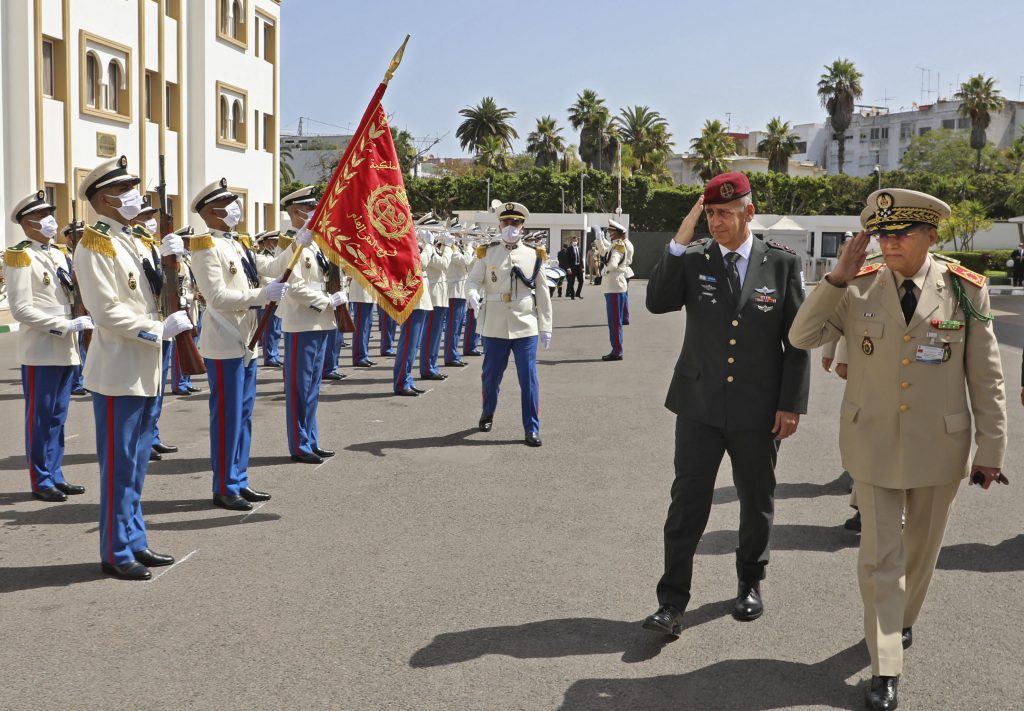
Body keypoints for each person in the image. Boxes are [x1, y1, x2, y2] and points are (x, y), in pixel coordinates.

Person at [790, 188, 1007, 710]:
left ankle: (902, 618)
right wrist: (836, 276)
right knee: (880, 558)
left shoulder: (964, 289)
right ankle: (886, 664)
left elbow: (986, 373)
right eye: (882, 234)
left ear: (931, 235)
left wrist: (991, 448)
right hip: (873, 444)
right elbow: (802, 335)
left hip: (941, 445)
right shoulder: (855, 287)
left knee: (920, 554)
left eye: (900, 233)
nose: (888, 243)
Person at [642, 172, 810, 637]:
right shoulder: (693, 259)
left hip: (758, 409)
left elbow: (796, 341)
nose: (715, 222)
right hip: (698, 405)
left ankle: (749, 583)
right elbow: (657, 301)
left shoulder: (780, 264)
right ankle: (671, 602)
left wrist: (791, 403)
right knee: (687, 505)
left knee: (756, 501)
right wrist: (681, 236)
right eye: (710, 213)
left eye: (725, 214)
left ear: (749, 213)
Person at [74, 155, 192, 580]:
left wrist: (175, 259)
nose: (134, 198)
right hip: (119, 371)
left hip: (147, 368)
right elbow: (106, 312)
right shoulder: (94, 244)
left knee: (138, 463)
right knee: (119, 465)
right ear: (106, 199)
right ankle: (115, 551)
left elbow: (161, 291)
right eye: (126, 192)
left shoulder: (136, 238)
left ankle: (135, 540)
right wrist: (157, 330)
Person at [190, 178, 290, 508]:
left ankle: (240, 477)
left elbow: (271, 267)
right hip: (224, 341)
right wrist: (262, 295)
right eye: (230, 204)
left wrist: (296, 243)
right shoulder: (206, 246)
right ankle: (224, 485)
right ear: (213, 211)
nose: (237, 209)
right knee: (228, 416)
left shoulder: (237, 243)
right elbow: (217, 297)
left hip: (246, 341)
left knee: (244, 414)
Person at [4, 190, 91, 503]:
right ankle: (41, 479)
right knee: (40, 418)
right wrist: (64, 325)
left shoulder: (57, 254)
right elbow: (21, 310)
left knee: (58, 416)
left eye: (50, 215)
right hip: (41, 350)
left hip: (67, 348)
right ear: (28, 223)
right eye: (43, 217)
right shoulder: (19, 256)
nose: (51, 222)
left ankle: (55, 473)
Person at [465, 202, 553, 446]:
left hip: (525, 325)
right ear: (499, 225)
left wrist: (546, 326)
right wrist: (471, 293)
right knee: (490, 376)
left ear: (523, 226)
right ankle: (488, 412)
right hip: (494, 325)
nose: (511, 227)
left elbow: (543, 294)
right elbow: (472, 281)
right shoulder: (486, 252)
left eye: (516, 223)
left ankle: (531, 428)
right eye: (507, 222)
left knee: (529, 378)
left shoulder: (535, 254)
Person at [278, 185, 344, 464]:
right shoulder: (289, 242)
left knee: (313, 387)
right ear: (296, 211)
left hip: (319, 321)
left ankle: (311, 439)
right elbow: (294, 288)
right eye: (309, 207)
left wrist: (337, 296)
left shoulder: (316, 242)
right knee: (299, 388)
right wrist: (327, 302)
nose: (315, 211)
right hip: (301, 322)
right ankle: (300, 444)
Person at [129, 198, 178, 462]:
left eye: (152, 216)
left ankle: (152, 435)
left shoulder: (152, 246)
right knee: (147, 388)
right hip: (147, 325)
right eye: (145, 216)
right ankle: (142, 438)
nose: (151, 221)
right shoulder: (133, 246)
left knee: (158, 387)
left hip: (163, 322)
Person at [392, 225, 436, 396]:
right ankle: (402, 381)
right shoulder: (403, 242)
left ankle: (407, 379)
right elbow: (421, 263)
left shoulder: (412, 243)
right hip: (412, 298)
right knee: (408, 344)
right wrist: (429, 245)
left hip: (420, 296)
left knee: (413, 344)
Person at [60, 220, 89, 395]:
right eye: (78, 236)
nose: (81, 239)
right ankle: (76, 382)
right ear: (70, 238)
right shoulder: (63, 256)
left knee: (86, 344)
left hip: (87, 303)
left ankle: (85, 378)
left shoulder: (86, 255)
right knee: (76, 346)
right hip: (73, 304)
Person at [420, 224, 452, 381]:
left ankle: (432, 365)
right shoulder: (427, 248)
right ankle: (427, 368)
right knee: (430, 335)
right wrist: (447, 246)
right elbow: (444, 264)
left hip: (440, 295)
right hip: (433, 296)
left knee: (436, 335)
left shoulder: (432, 248)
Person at [598, 220, 630, 361]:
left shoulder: (618, 246)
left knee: (615, 321)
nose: (610, 234)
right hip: (613, 286)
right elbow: (604, 252)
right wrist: (599, 239)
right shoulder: (614, 245)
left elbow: (613, 262)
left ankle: (617, 351)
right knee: (613, 321)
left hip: (615, 286)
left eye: (612, 232)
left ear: (617, 233)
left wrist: (606, 270)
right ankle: (616, 349)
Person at [444, 224, 473, 367]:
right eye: (460, 231)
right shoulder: (450, 248)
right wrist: (470, 248)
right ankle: (450, 356)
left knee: (457, 327)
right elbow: (465, 261)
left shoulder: (457, 247)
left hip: (460, 290)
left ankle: (453, 354)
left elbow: (469, 265)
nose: (463, 233)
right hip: (454, 291)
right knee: (453, 327)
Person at [255, 229, 284, 368]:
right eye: (274, 242)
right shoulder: (260, 257)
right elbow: (265, 279)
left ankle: (275, 354)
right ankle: (270, 356)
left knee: (277, 330)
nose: (276, 245)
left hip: (278, 298)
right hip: (267, 299)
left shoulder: (276, 257)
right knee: (269, 329)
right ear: (267, 243)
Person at [349, 273, 377, 367]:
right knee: (361, 325)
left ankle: (364, 355)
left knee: (367, 325)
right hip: (361, 289)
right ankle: (359, 356)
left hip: (371, 288)